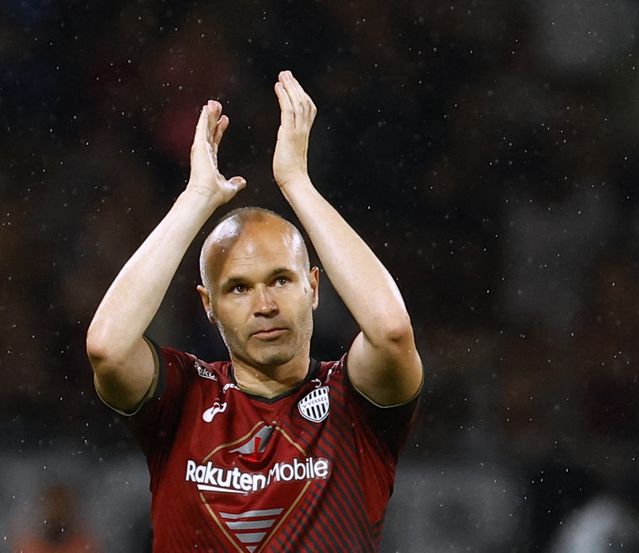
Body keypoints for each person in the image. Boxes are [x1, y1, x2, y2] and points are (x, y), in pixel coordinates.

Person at [86, 70, 423, 552]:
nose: (264, 305)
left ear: (313, 288)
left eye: (281, 280)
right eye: (238, 289)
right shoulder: (185, 398)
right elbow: (107, 347)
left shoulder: (353, 402)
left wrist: (297, 184)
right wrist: (194, 200)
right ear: (209, 306)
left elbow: (391, 332)